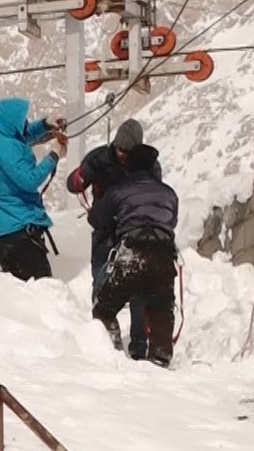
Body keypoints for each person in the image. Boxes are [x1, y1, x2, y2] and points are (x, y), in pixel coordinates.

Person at [89, 141, 180, 367]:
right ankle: (160, 355)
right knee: (161, 307)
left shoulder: (120, 190)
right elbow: (172, 222)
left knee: (105, 307)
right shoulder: (169, 194)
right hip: (163, 258)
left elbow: (96, 219)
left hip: (132, 253)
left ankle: (111, 352)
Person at [66, 118, 149, 358]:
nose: (122, 154)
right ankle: (103, 340)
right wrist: (79, 179)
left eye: (127, 151)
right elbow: (73, 183)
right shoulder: (99, 158)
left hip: (132, 233)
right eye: (119, 149)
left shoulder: (144, 164)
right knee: (101, 283)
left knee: (136, 289)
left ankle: (139, 347)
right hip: (104, 231)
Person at [0, 96, 65, 281]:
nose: (26, 123)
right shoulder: (7, 150)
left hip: (8, 232)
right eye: (23, 120)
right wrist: (54, 156)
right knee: (42, 293)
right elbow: (30, 180)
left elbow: (24, 135)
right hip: (19, 235)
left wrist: (45, 125)